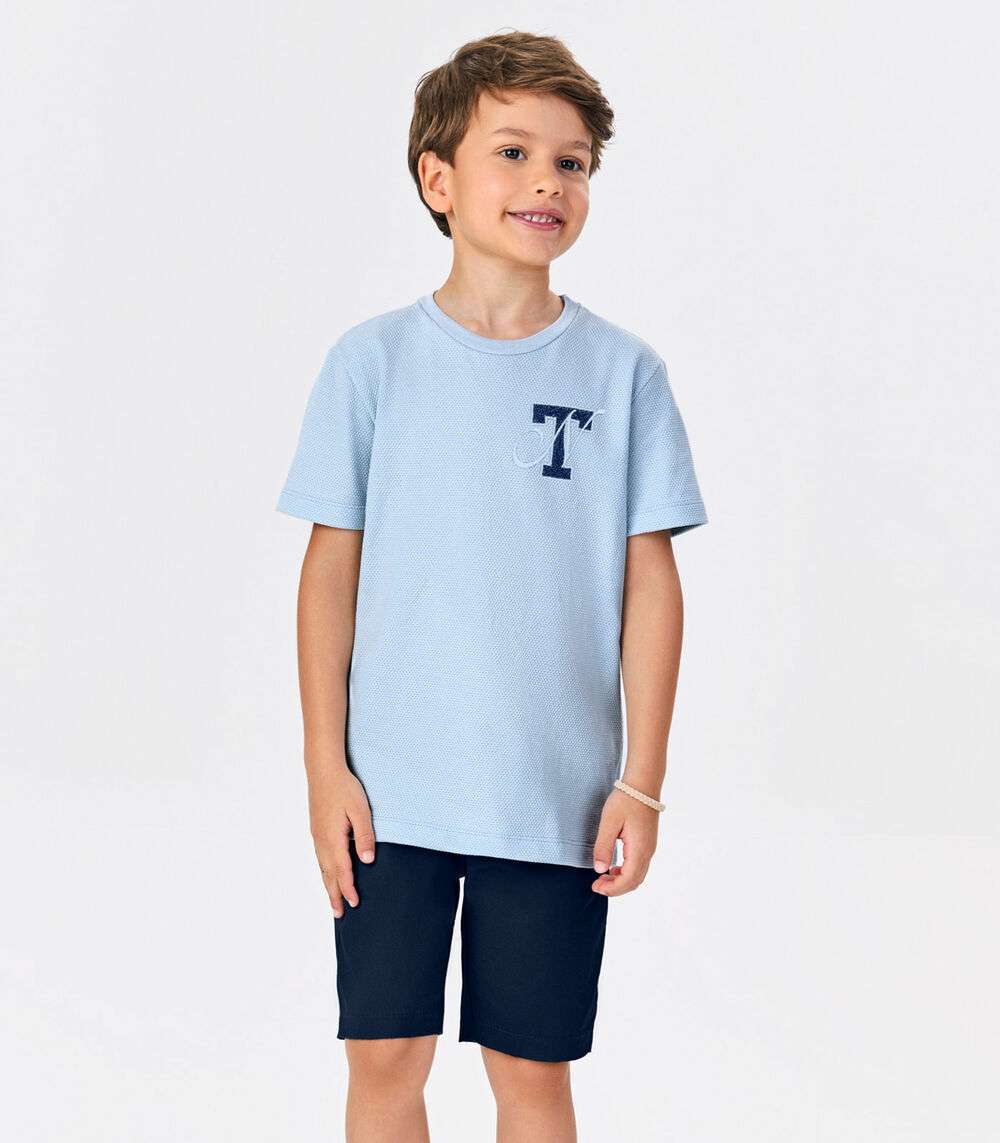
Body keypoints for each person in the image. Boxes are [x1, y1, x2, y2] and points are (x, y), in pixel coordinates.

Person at [276, 30, 708, 1143]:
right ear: (438, 179)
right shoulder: (371, 364)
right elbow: (329, 575)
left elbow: (650, 587)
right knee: (384, 1058)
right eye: (512, 152)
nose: (544, 182)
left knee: (531, 1072)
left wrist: (642, 782)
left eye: (571, 163)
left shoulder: (624, 374)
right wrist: (325, 767)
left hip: (554, 798)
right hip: (390, 795)